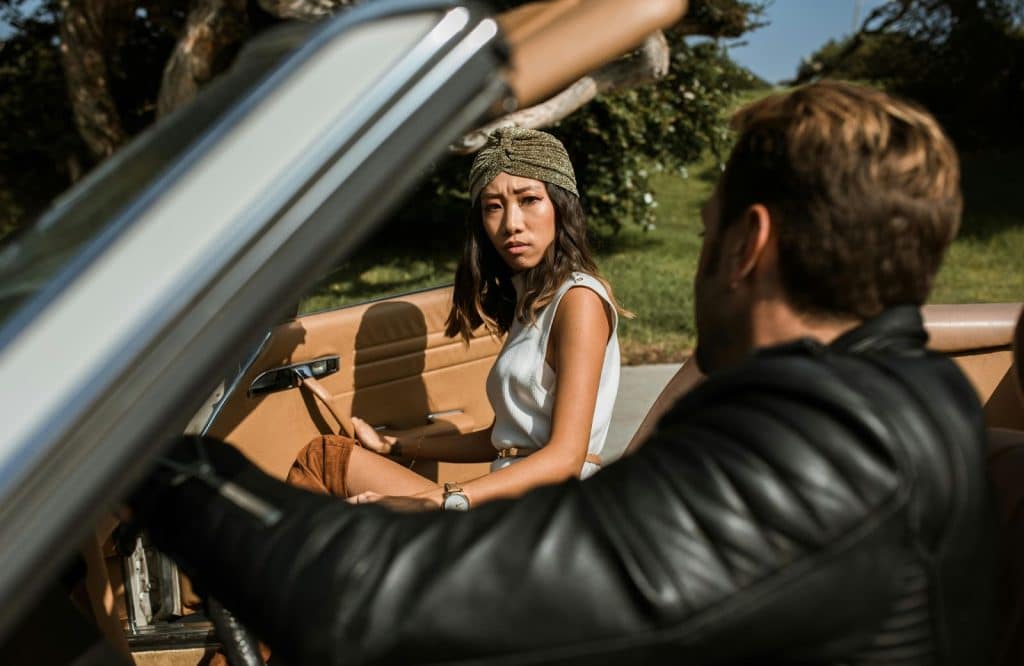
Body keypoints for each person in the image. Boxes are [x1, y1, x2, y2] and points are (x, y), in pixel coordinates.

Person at [135, 81, 997, 665]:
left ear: (748, 244)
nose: (697, 249)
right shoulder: (894, 400)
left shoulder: (820, 453)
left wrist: (167, 470)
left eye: (706, 225)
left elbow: (374, 597)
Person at [286, 126, 627, 511]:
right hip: (511, 497)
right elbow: (503, 438)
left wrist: (443, 498)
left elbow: (565, 457)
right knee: (330, 457)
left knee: (324, 462)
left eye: (529, 199)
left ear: (560, 206)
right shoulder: (532, 304)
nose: (511, 223)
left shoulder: (578, 299)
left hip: (546, 512)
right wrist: (395, 444)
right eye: (493, 206)